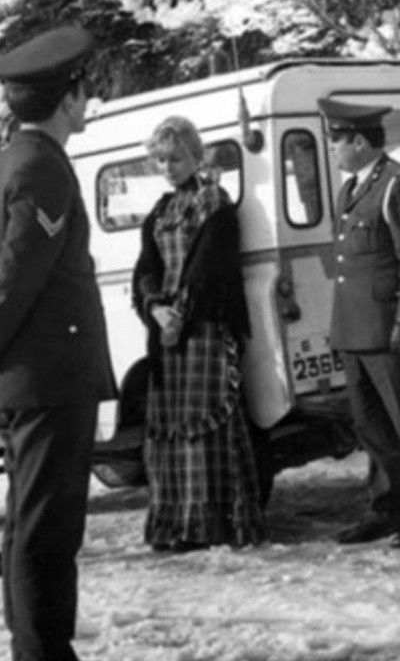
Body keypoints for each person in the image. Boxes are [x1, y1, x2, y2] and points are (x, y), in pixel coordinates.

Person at [0, 26, 116, 661]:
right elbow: (18, 276)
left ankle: (31, 647)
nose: (87, 100)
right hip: (48, 377)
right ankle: (43, 652)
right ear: (68, 98)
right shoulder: (42, 166)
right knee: (47, 530)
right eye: (83, 90)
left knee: (24, 524)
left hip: (17, 377)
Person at [131, 116, 266, 553]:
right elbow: (145, 270)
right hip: (169, 331)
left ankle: (212, 524)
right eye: (161, 160)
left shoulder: (215, 202)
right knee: (170, 428)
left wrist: (179, 314)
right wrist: (154, 307)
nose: (168, 167)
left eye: (175, 158)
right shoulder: (159, 211)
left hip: (205, 326)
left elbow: (209, 268)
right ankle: (177, 525)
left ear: (194, 155)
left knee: (206, 429)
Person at [321, 98, 400, 549]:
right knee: (373, 428)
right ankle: (386, 508)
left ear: (358, 140)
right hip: (357, 329)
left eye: (336, 140)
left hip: (392, 329)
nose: (332, 149)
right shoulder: (352, 188)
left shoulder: (399, 185)